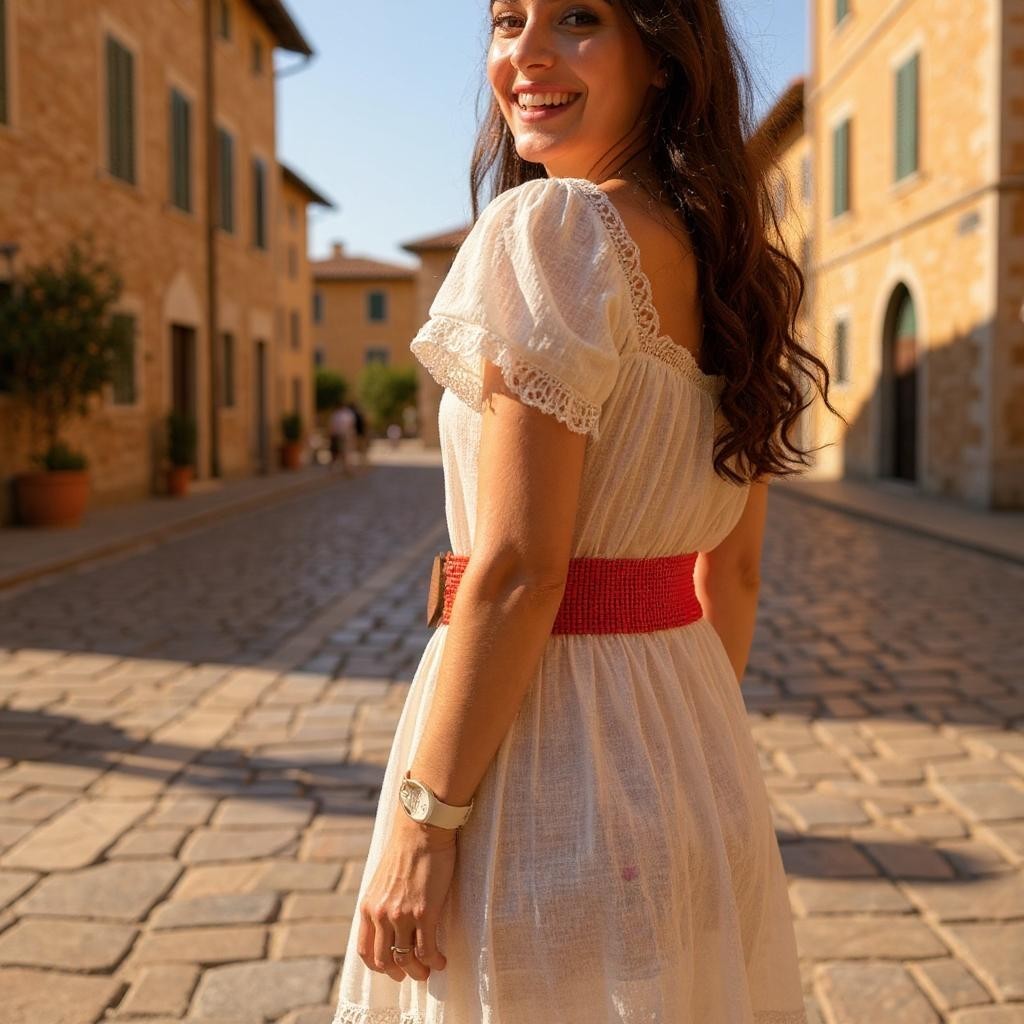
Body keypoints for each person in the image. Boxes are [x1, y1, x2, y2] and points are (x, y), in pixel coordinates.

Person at [333, 2, 840, 1022]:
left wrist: (425, 820)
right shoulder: (737, 275)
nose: (523, 53)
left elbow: (520, 569)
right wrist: (666, 752)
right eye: (505, 19)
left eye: (574, 18)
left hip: (538, 742)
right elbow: (728, 577)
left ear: (660, 56)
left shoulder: (553, 228)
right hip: (688, 735)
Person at [328, 402, 356, 477]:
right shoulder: (345, 415)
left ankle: (345, 469)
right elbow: (351, 426)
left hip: (339, 435)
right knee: (340, 452)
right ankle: (345, 469)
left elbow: (331, 426)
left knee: (340, 452)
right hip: (341, 435)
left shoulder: (336, 415)